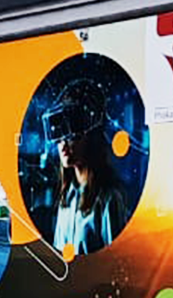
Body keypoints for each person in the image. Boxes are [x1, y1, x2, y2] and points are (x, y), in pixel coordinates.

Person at [47, 98, 133, 257]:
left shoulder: (109, 199)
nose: (63, 145)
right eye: (59, 137)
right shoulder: (65, 199)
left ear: (90, 138)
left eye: (71, 136)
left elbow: (115, 260)